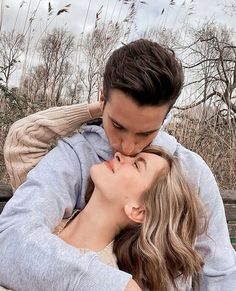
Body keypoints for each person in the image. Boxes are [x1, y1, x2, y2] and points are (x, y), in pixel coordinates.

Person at [0, 39, 235, 290]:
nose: (127, 148)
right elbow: (10, 241)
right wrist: (116, 286)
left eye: (146, 133)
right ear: (102, 99)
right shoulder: (76, 157)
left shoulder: (193, 172)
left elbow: (220, 274)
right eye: (118, 126)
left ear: (164, 120)